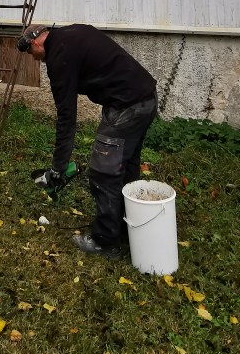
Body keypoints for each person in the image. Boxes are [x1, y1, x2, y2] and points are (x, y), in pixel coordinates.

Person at [17, 23, 158, 260]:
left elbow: (66, 117)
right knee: (126, 169)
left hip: (128, 107)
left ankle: (105, 242)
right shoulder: (71, 34)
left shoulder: (59, 57)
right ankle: (128, 226)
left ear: (35, 42)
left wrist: (58, 168)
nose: (34, 59)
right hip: (145, 99)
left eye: (31, 53)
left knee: (104, 172)